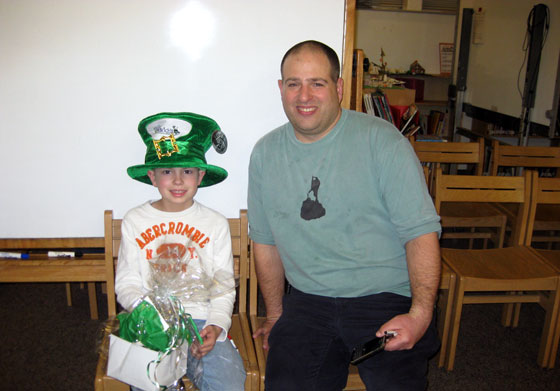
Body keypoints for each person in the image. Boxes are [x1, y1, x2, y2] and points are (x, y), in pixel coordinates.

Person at [248, 40, 441, 390]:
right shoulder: (265, 154)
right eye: (293, 83)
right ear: (281, 89)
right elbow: (265, 242)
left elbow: (421, 233)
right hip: (308, 300)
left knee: (395, 384)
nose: (304, 95)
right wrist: (276, 315)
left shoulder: (382, 142)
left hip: (384, 296)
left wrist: (420, 315)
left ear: (337, 87)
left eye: (317, 83)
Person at [115, 112, 245, 391]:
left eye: (186, 171)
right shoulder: (135, 221)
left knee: (230, 384)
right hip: (151, 322)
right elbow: (126, 283)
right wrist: (152, 318)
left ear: (200, 176)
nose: (177, 180)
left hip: (201, 320)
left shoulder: (215, 224)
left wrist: (217, 325)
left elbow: (223, 288)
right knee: (149, 384)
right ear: (152, 176)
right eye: (166, 171)